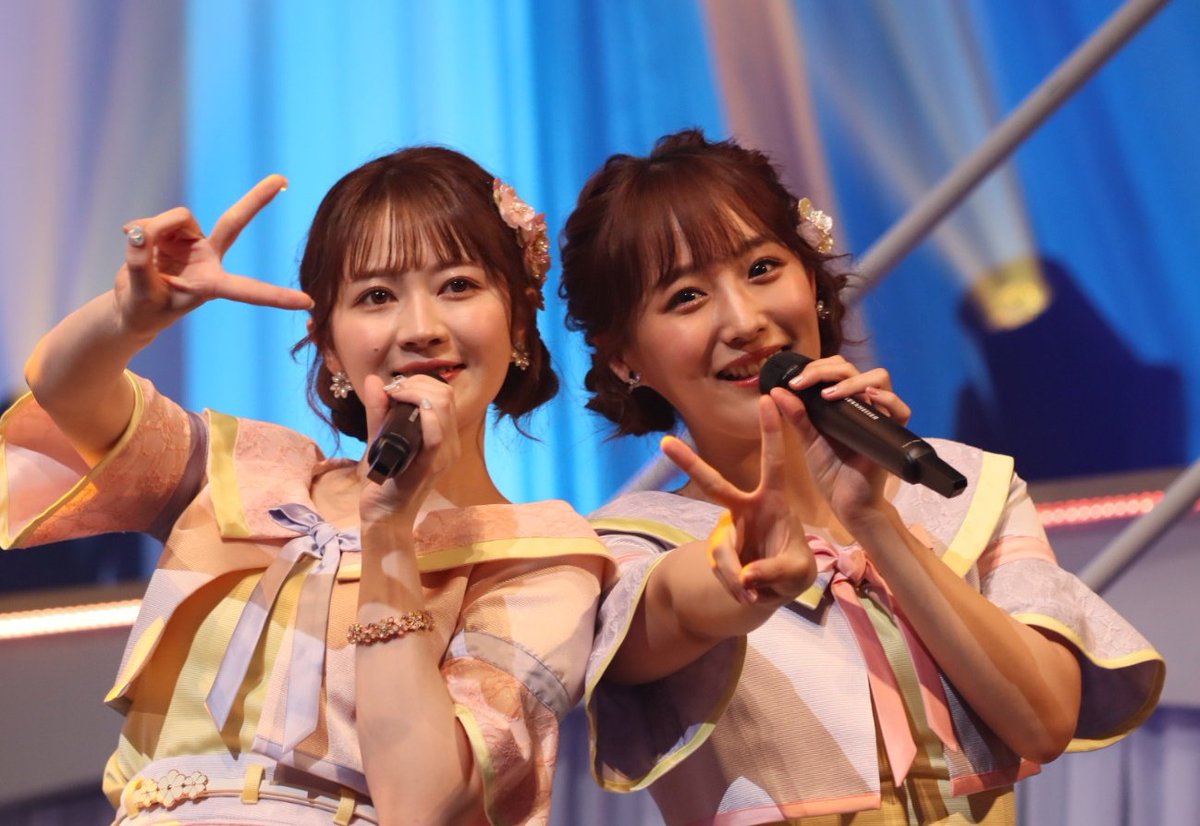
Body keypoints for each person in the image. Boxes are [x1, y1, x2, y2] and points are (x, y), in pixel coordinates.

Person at [558, 129, 1165, 825]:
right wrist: (743, 575)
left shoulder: (965, 485)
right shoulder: (626, 547)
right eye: (687, 297)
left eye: (762, 268)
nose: (745, 321)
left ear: (811, 280)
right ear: (624, 357)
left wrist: (877, 523)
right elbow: (674, 608)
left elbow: (1044, 722)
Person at [0, 147, 612, 825]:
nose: (421, 329)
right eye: (376, 296)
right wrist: (129, 315)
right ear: (328, 344)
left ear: (519, 318)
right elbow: (64, 390)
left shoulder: (539, 557)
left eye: (458, 285)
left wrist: (389, 531)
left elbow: (425, 805)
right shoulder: (250, 470)